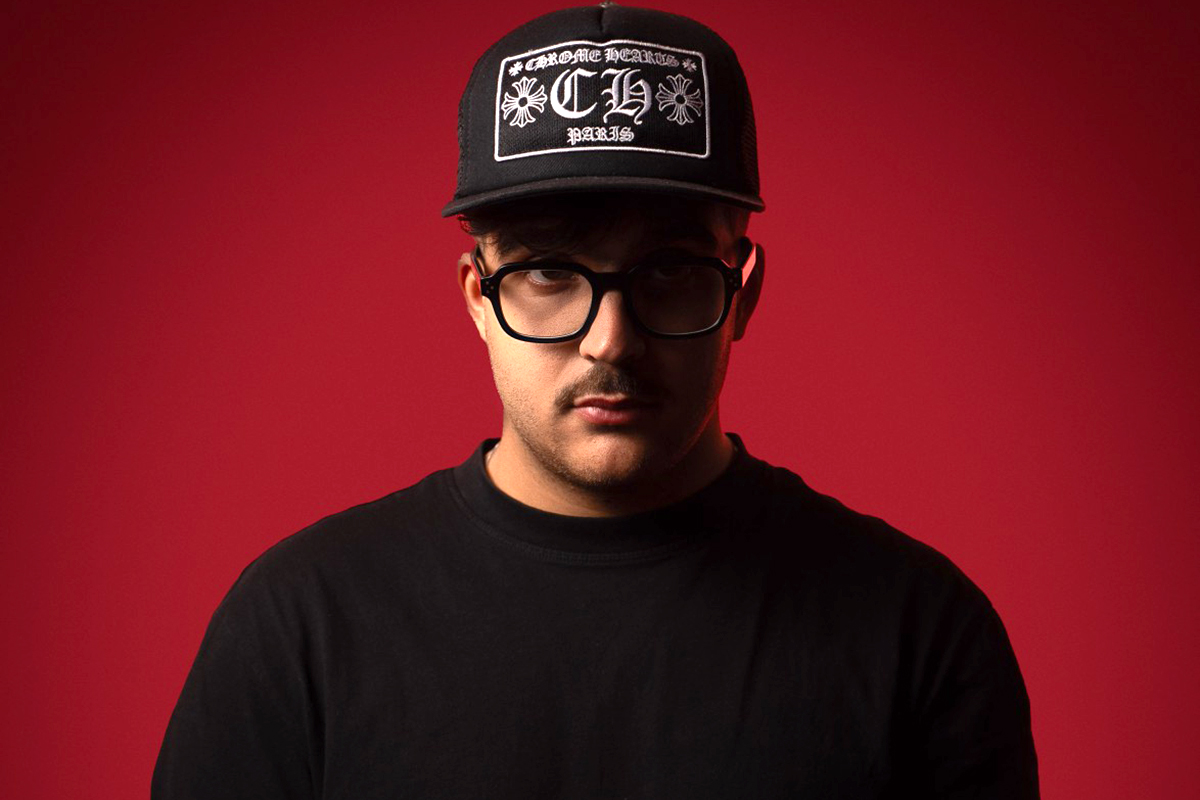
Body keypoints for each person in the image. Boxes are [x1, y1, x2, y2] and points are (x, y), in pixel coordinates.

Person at [153, 4, 1039, 797]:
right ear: (477, 297)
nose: (610, 340)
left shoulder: (921, 635)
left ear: (744, 294)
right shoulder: (297, 628)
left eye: (671, 270)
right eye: (548, 271)